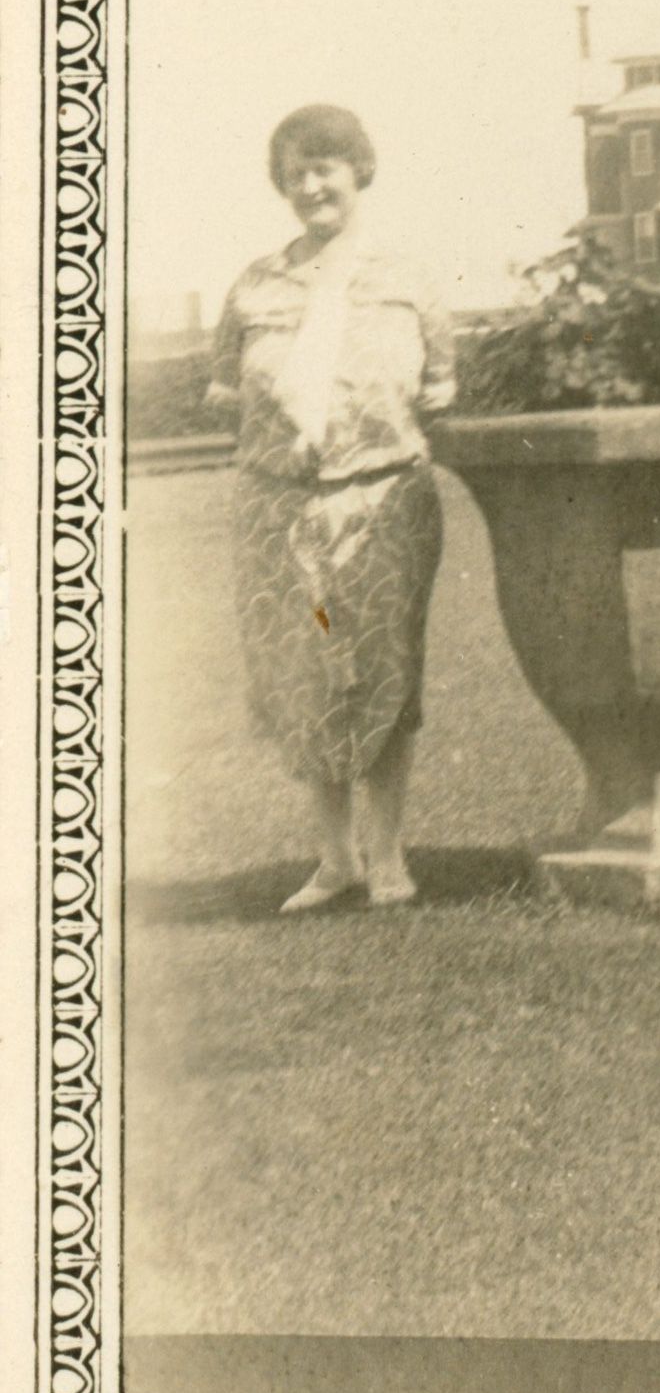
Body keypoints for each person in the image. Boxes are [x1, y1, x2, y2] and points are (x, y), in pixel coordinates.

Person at [206, 105, 456, 914]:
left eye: (326, 168)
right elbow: (228, 398)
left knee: (383, 672)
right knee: (304, 675)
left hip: (384, 503)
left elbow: (438, 395)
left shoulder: (406, 279)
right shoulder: (254, 286)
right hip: (280, 514)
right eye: (296, 173)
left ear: (358, 172)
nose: (311, 186)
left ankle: (387, 855)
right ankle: (334, 857)